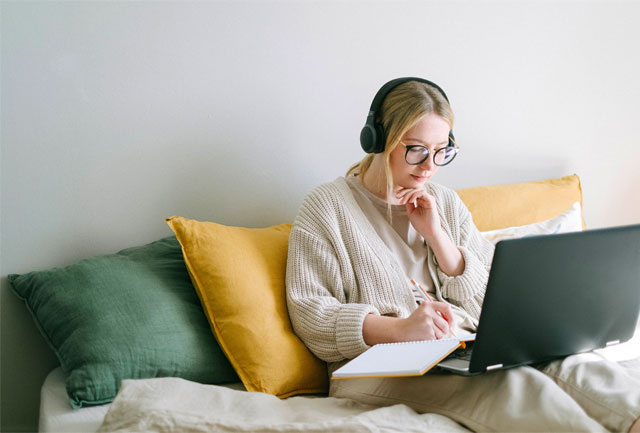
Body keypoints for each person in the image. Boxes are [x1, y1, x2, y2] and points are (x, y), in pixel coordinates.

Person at [285, 77, 640, 432]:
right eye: (416, 149)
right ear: (379, 140)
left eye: (441, 151)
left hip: (463, 348)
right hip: (374, 369)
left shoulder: (445, 203)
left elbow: (492, 299)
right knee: (516, 389)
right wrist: (401, 329)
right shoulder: (326, 208)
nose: (429, 167)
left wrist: (438, 237)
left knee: (579, 367)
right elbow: (311, 314)